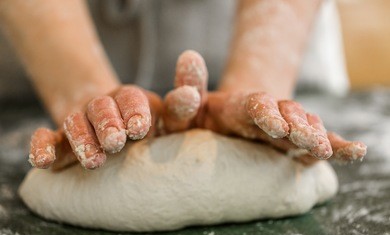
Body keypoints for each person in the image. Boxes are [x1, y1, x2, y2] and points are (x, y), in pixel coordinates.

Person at [0, 0, 366, 170]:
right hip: (44, 43)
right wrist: (81, 92)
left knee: (270, 134)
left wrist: (259, 91)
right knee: (97, 132)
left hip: (267, 32)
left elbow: (262, 101)